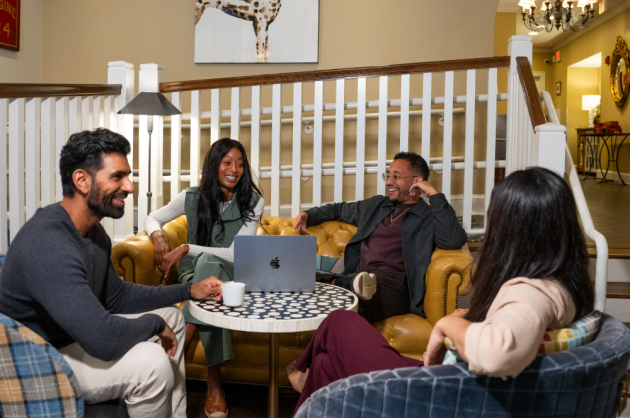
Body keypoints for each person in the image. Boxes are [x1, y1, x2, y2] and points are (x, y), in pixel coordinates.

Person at [287, 166, 594, 414]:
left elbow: (498, 351)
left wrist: (449, 323)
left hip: (435, 393)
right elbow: (340, 208)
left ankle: (300, 370)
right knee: (326, 365)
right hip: (447, 376)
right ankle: (310, 369)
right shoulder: (560, 281)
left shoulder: (532, 292)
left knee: (340, 320)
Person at [0, 129, 225, 418]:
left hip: (69, 340)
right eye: (117, 177)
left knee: (174, 317)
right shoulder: (49, 243)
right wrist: (153, 323)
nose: (129, 187)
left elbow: (116, 296)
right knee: (152, 362)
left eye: (127, 176)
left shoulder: (93, 233)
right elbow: (103, 339)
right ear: (82, 180)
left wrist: (187, 290)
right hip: (34, 361)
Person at [145, 137, 264, 418]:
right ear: (214, 165)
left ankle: (173, 356)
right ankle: (214, 384)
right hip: (193, 276)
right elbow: (152, 217)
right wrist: (159, 237)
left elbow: (234, 255)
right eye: (227, 162)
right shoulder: (192, 196)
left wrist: (186, 247)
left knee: (211, 266)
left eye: (240, 163)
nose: (234, 169)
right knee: (210, 282)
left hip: (232, 274)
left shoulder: (253, 202)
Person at [293, 151, 467, 323]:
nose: (389, 181)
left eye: (396, 176)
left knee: (353, 300)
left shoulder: (428, 216)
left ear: (417, 182)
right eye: (388, 175)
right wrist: (309, 215)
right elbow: (339, 210)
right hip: (360, 279)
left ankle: (340, 284)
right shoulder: (377, 205)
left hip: (395, 285)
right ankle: (343, 284)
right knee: (299, 277)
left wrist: (434, 195)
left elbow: (453, 240)